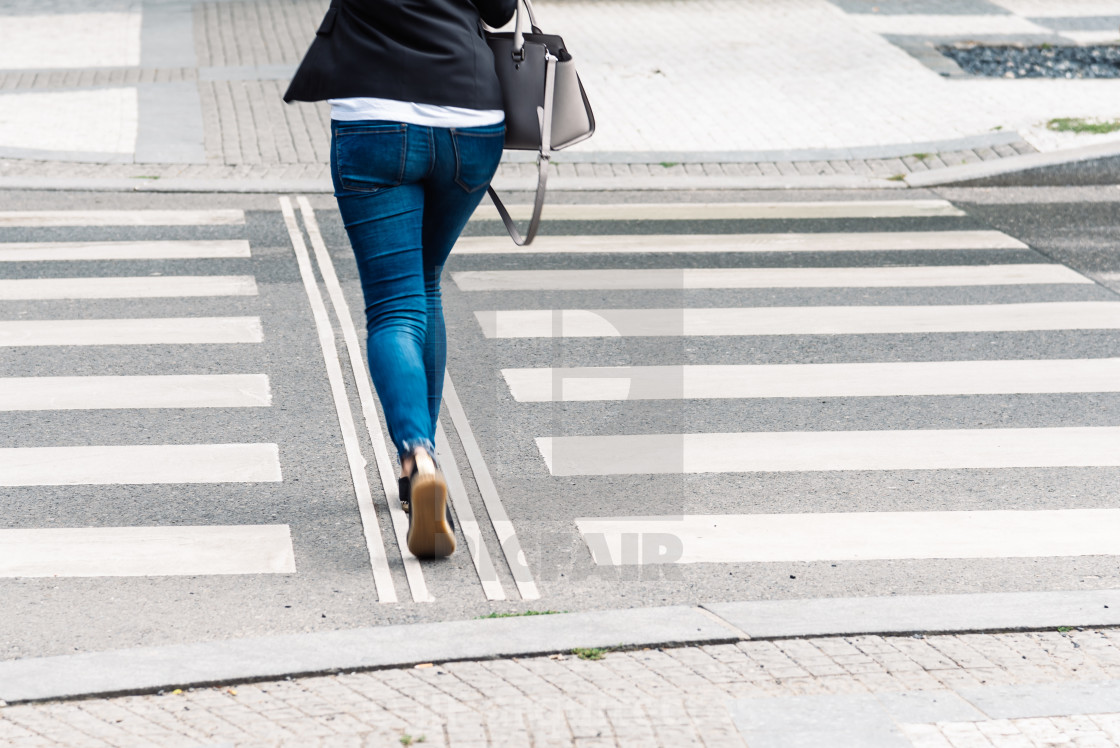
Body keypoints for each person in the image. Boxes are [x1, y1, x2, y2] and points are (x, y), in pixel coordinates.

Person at [284, 0, 516, 559]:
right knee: (426, 280)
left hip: (375, 121)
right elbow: (500, 11)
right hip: (470, 119)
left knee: (394, 305)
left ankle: (418, 455)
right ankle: (424, 468)